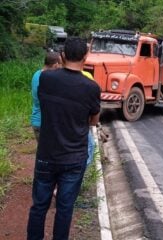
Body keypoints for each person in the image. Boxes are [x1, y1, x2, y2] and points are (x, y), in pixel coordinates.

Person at [27, 37, 101, 240]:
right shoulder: (91, 87)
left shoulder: (46, 79)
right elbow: (94, 121)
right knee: (65, 209)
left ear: (62, 55)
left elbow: (44, 104)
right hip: (74, 158)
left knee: (39, 206)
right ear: (85, 57)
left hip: (46, 154)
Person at [30, 51, 61, 142]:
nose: (61, 67)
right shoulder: (48, 79)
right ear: (55, 65)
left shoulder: (37, 74)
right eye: (60, 64)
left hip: (37, 120)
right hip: (45, 123)